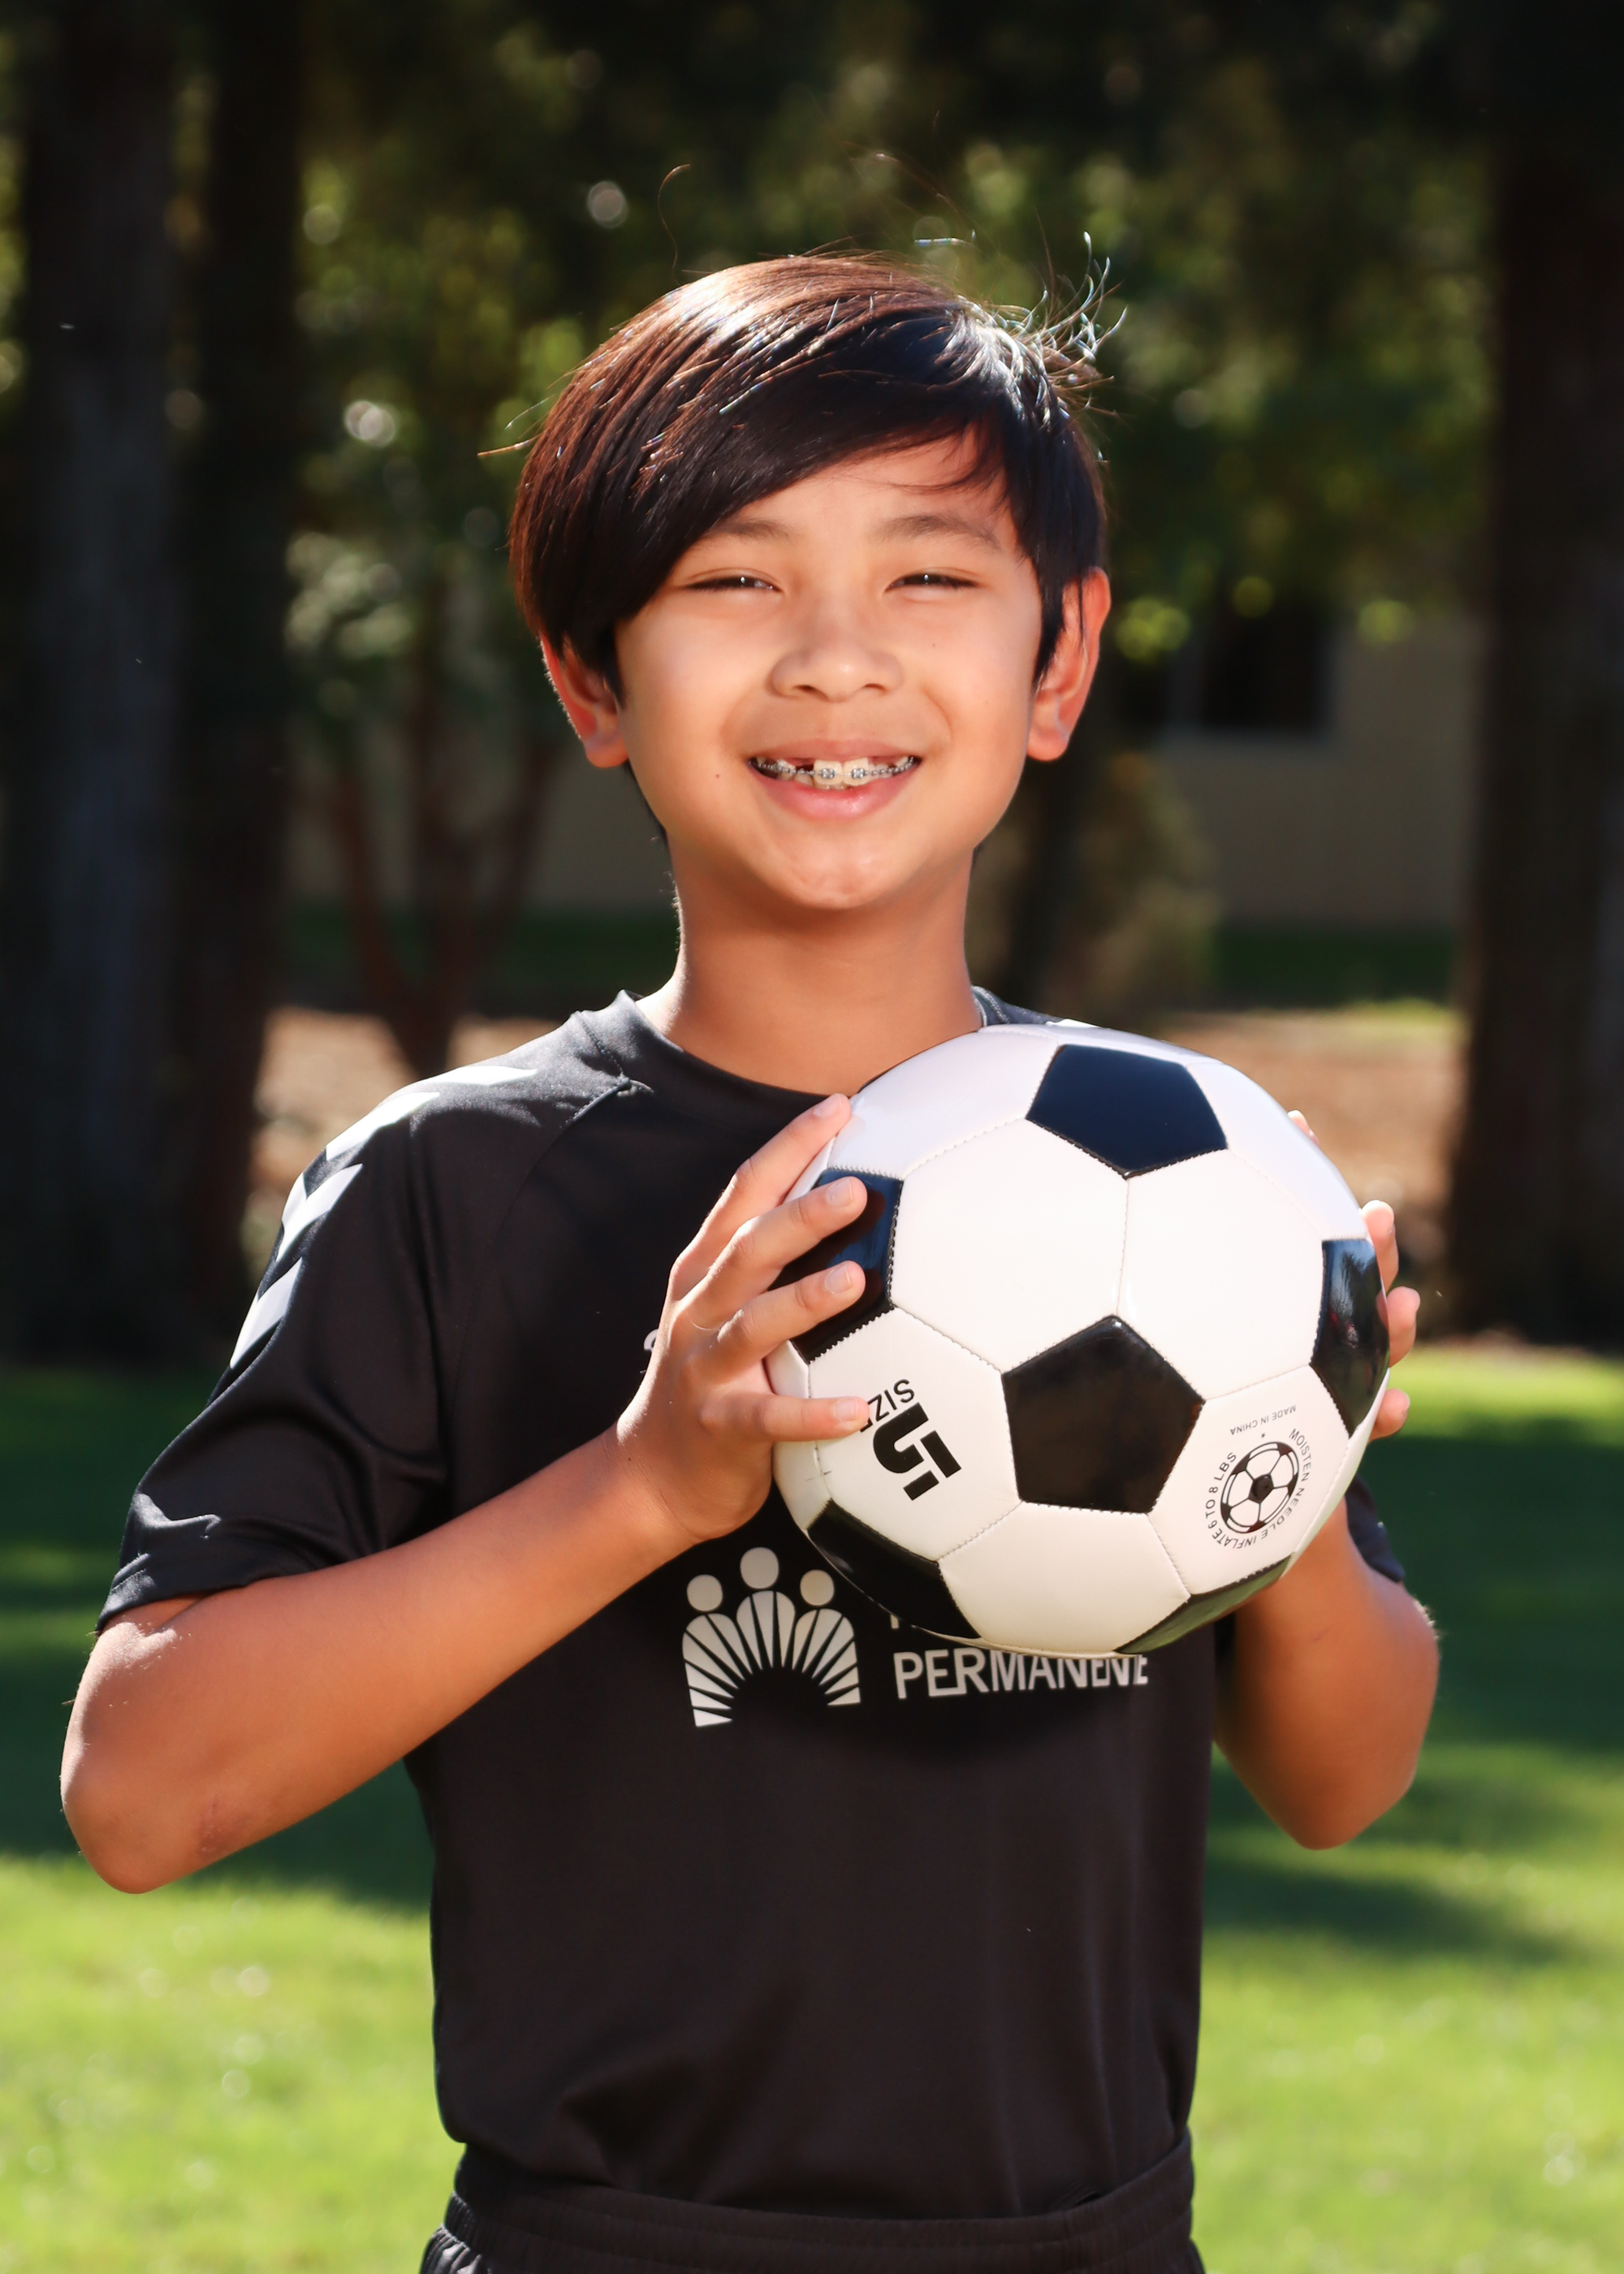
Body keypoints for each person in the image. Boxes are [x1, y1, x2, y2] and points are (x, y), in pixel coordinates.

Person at [63, 256, 1438, 2274]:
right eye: (734, 576)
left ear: (1058, 662)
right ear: (590, 678)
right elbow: (140, 1787)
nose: (833, 658)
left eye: (928, 575)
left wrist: (1285, 1467)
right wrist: (639, 1486)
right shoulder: (453, 1186)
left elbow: (1341, 1779)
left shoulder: (1189, 1180)